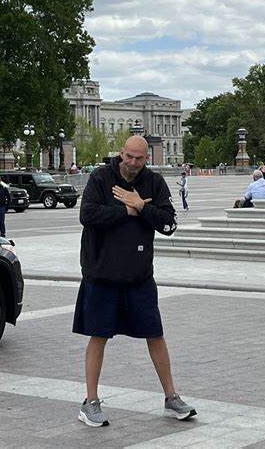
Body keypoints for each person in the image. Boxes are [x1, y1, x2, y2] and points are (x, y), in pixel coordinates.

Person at [73, 136, 196, 427]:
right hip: (101, 274)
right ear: (121, 153)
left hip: (139, 276)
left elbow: (169, 224)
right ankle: (90, 402)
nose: (133, 163)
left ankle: (171, 396)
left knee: (155, 334)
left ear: (146, 158)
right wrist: (125, 210)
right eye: (128, 156)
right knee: (98, 335)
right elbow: (87, 215)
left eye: (139, 159)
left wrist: (141, 206)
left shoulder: (153, 182)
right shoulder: (101, 178)